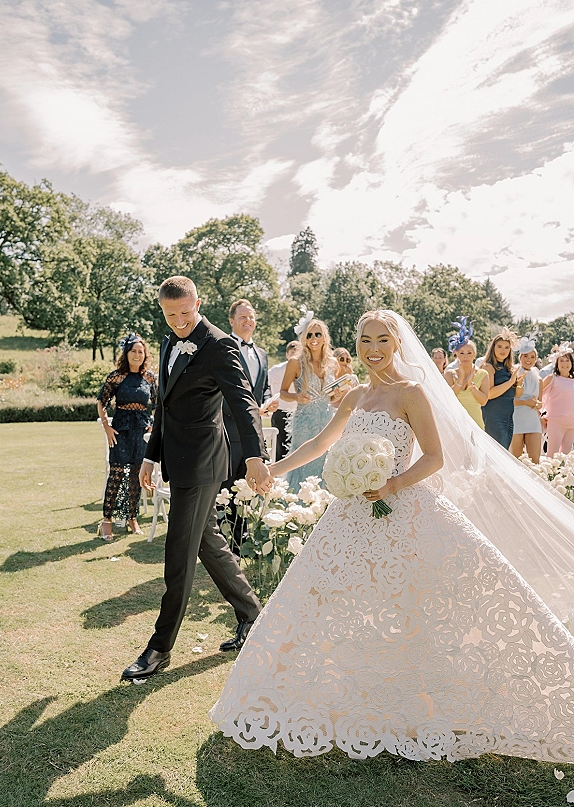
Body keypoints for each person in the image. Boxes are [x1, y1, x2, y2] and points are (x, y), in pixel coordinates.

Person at [210, 310, 574, 763]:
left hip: (402, 508)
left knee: (415, 605)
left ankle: (421, 699)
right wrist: (272, 470)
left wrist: (392, 485)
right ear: (357, 343)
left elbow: (435, 457)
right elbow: (319, 444)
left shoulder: (411, 392)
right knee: (319, 597)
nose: (374, 348)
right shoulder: (356, 394)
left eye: (383, 339)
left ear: (397, 344)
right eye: (366, 339)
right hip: (350, 516)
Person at [121, 276, 272, 681]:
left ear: (198, 303)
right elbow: (165, 408)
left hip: (204, 463)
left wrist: (255, 455)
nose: (179, 322)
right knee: (209, 544)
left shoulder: (219, 343)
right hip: (175, 457)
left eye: (186, 313)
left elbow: (243, 402)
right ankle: (254, 617)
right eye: (171, 315)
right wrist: (150, 457)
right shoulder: (170, 340)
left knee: (179, 554)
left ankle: (159, 648)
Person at [222, 299, 277, 551]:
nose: (248, 320)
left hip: (253, 432)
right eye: (242, 317)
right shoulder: (222, 347)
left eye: (251, 316)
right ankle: (224, 542)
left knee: (250, 484)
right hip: (228, 429)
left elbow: (263, 388)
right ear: (232, 321)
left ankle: (243, 539)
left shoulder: (262, 354)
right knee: (227, 486)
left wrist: (266, 402)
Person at [96, 334, 157, 541]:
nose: (137, 355)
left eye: (141, 351)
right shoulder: (116, 376)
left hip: (141, 431)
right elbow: (101, 402)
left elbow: (157, 405)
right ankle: (106, 521)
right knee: (117, 473)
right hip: (121, 430)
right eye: (134, 351)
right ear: (127, 353)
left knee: (136, 475)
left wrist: (153, 427)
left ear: (145, 355)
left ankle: (132, 518)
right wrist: (107, 426)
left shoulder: (150, 378)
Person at [280, 313, 338, 490]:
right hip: (305, 424)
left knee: (325, 464)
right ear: (304, 338)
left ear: (324, 338)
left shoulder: (333, 363)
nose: (313, 339)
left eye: (318, 334)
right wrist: (296, 397)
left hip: (327, 421)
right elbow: (282, 393)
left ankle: (321, 509)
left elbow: (332, 398)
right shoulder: (295, 362)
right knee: (302, 464)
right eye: (309, 335)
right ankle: (297, 511)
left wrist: (339, 392)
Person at [481, 330, 524, 448]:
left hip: (508, 418)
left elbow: (517, 395)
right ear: (493, 347)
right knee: (494, 453)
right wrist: (511, 382)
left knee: (504, 451)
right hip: (493, 416)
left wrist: (519, 383)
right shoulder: (488, 367)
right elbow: (489, 394)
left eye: (506, 347)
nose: (502, 350)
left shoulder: (509, 369)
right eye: (499, 347)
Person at [510, 334, 543, 462]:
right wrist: (525, 402)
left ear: (536, 359)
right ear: (520, 357)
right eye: (525, 356)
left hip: (533, 421)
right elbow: (509, 401)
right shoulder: (514, 373)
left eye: (532, 357)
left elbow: (540, 402)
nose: (529, 359)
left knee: (535, 459)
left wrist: (538, 405)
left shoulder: (538, 378)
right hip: (516, 419)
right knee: (516, 459)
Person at [444, 339, 489, 428]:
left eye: (469, 353)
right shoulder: (449, 374)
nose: (465, 356)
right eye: (462, 353)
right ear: (456, 354)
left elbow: (483, 401)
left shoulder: (483, 374)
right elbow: (448, 399)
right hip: (455, 424)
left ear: (474, 354)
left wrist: (471, 385)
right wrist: (460, 380)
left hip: (476, 424)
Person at [268, 340, 300, 461]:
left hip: (297, 413)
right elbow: (265, 386)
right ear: (287, 354)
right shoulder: (276, 370)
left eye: (298, 352)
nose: (295, 355)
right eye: (292, 352)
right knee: (279, 449)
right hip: (280, 412)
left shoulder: (303, 371)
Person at [542, 344, 574, 457]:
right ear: (557, 363)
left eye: (567, 361)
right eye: (562, 361)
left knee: (565, 458)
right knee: (552, 455)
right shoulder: (552, 378)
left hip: (571, 425)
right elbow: (538, 395)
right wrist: (540, 414)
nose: (565, 364)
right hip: (555, 423)